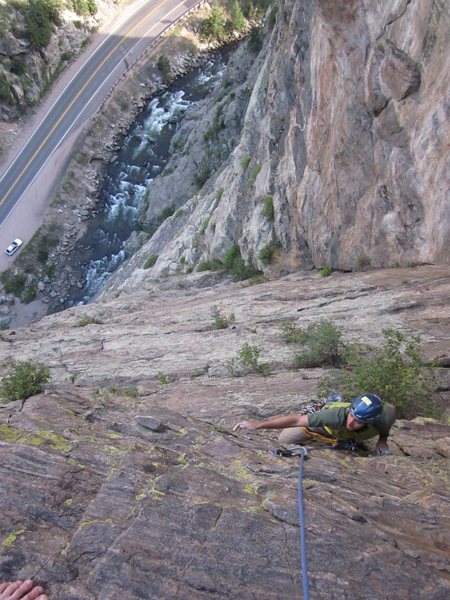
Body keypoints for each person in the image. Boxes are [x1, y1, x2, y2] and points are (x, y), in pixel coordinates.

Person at [233, 392, 395, 455]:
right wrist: (258, 425)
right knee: (284, 441)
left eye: (359, 421)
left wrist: (382, 441)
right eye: (352, 415)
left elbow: (388, 417)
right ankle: (326, 403)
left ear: (371, 421)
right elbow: (296, 420)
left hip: (339, 432)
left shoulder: (384, 418)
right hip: (322, 425)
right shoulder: (336, 417)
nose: (351, 422)